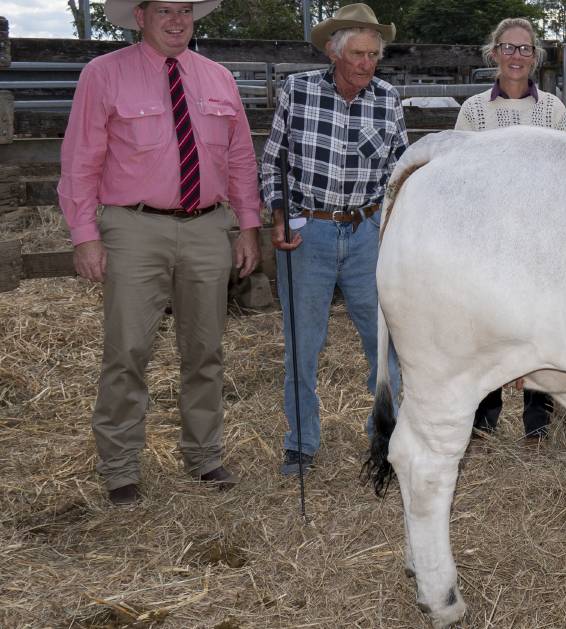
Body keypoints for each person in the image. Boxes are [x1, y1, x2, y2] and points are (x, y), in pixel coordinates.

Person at [57, 0, 261, 505]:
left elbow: (239, 157)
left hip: (207, 227)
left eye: (186, 10)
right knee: (127, 350)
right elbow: (81, 158)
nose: (177, 20)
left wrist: (248, 226)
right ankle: (121, 465)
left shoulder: (217, 78)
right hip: (134, 228)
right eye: (166, 9)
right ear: (140, 16)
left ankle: (205, 455)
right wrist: (84, 234)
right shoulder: (103, 75)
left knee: (205, 349)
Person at [260, 3, 407, 476]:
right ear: (333, 51)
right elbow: (273, 164)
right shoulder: (298, 92)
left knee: (383, 346)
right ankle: (300, 443)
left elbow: (400, 172)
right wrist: (279, 215)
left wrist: (394, 228)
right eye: (359, 54)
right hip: (310, 233)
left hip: (367, 235)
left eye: (373, 55)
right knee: (303, 346)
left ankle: (388, 436)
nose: (367, 64)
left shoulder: (388, 98)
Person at [455, 17, 566, 439]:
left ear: (535, 57)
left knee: (535, 330)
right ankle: (484, 422)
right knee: (489, 328)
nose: (516, 56)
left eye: (524, 49)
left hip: (539, 239)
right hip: (488, 240)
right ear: (494, 54)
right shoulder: (473, 111)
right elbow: (461, 178)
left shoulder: (552, 110)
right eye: (508, 47)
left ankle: (536, 425)